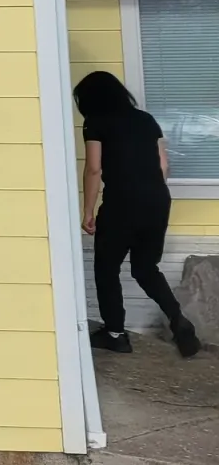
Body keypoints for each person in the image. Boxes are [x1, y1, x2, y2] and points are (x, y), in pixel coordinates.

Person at [75, 71, 201, 357]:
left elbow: (94, 168)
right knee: (145, 267)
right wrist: (150, 196)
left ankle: (116, 334)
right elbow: (164, 166)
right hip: (157, 200)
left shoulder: (96, 123)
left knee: (107, 269)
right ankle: (177, 319)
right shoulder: (145, 120)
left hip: (122, 202)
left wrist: (88, 210)